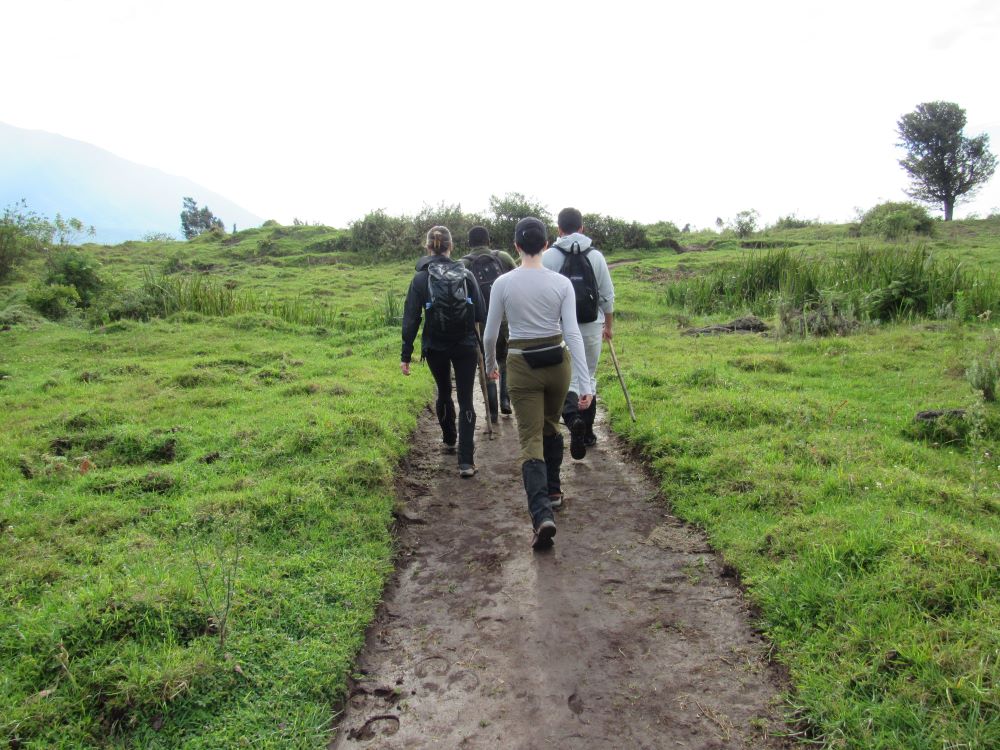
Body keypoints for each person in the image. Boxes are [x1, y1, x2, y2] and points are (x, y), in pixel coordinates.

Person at [483, 217, 593, 549]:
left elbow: (490, 335)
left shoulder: (503, 283)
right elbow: (572, 333)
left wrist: (490, 366)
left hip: (521, 364)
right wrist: (585, 382)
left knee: (529, 438)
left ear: (516, 246)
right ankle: (555, 490)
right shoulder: (561, 284)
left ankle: (542, 514)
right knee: (551, 426)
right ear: (546, 245)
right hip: (558, 363)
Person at [401, 226, 487, 478]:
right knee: (467, 398)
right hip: (465, 344)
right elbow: (480, 313)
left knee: (443, 391)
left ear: (427, 247)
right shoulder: (466, 274)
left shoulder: (420, 278)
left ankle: (449, 438)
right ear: (451, 247)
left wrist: (406, 355)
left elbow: (411, 319)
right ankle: (466, 462)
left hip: (435, 344)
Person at [542, 207, 615, 460]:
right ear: (582, 228)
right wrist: (609, 326)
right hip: (591, 324)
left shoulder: (549, 256)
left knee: (564, 380)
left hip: (559, 326)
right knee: (589, 375)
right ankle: (588, 433)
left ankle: (572, 419)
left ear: (559, 229)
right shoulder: (596, 256)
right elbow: (607, 296)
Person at [459, 226, 517, 423]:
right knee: (504, 359)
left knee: (486, 362)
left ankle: (492, 411)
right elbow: (518, 279)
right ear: (488, 241)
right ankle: (505, 400)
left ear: (469, 243)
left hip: (480, 323)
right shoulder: (503, 257)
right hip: (505, 319)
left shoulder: (462, 264)